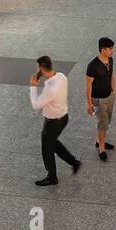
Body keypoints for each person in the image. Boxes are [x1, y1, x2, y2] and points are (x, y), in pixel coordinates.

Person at [28, 55, 81, 186]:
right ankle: (74, 162)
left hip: (53, 122)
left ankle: (52, 177)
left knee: (47, 150)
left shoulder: (50, 88)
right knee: (53, 143)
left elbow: (36, 104)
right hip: (63, 117)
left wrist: (33, 87)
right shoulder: (62, 76)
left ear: (41, 68)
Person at [86, 37, 116, 161]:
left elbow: (111, 75)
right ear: (102, 50)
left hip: (109, 96)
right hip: (98, 99)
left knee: (107, 121)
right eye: (110, 49)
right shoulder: (92, 66)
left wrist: (113, 90)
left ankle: (99, 140)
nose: (112, 51)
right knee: (103, 123)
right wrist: (89, 104)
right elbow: (88, 86)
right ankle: (101, 148)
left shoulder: (110, 60)